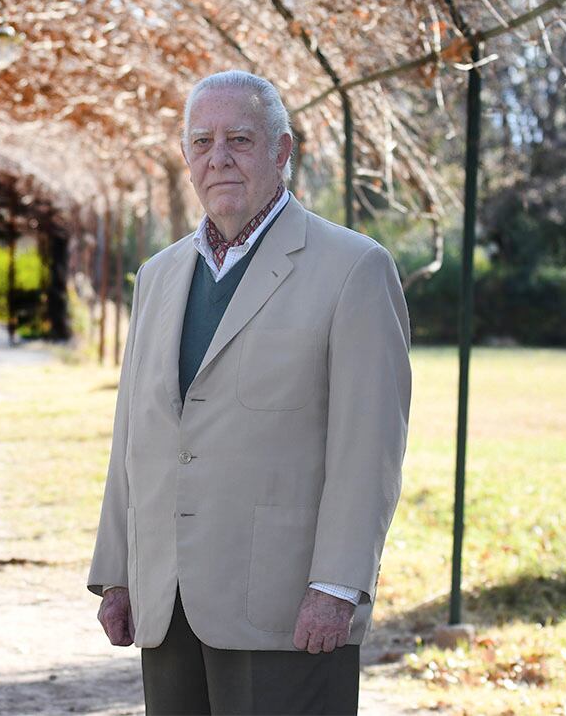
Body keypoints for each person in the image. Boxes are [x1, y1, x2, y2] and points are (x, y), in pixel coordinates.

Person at [87, 70, 412, 715]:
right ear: (185, 158)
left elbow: (368, 450)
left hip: (285, 605)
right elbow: (134, 434)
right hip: (168, 599)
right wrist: (118, 574)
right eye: (202, 142)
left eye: (240, 138)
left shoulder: (353, 269)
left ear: (282, 152)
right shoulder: (158, 276)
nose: (220, 158)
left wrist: (338, 586)